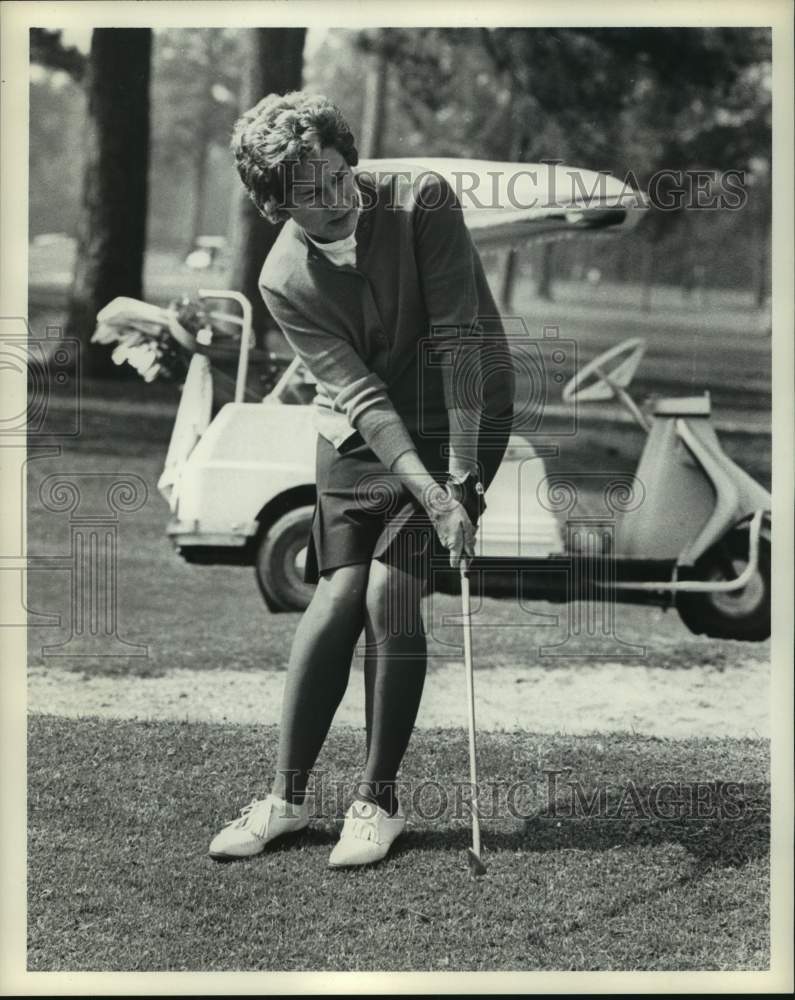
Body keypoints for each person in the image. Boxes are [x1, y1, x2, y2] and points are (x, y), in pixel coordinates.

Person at [209, 91, 515, 868]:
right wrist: (422, 486)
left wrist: (456, 482)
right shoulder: (283, 278)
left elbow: (456, 337)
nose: (338, 199)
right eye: (312, 193)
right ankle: (284, 797)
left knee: (390, 590)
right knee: (338, 593)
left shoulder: (422, 203)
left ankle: (378, 800)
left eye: (342, 175)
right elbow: (361, 396)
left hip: (459, 409)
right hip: (360, 425)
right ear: (275, 204)